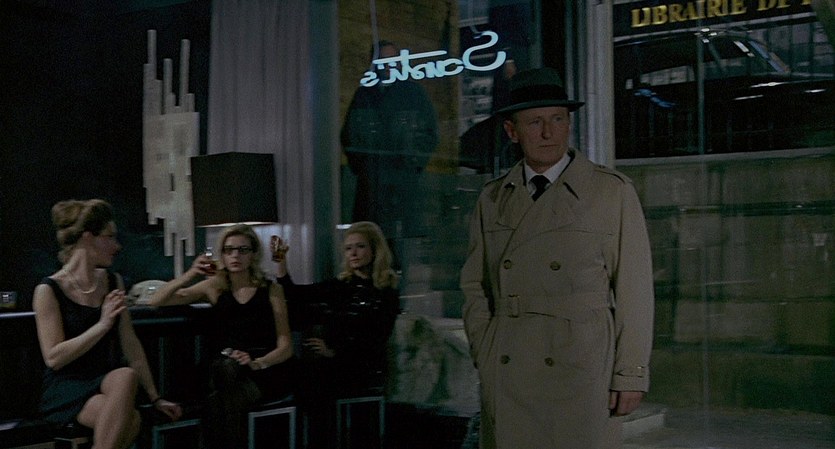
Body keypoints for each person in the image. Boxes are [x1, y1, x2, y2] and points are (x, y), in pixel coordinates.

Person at [459, 67, 655, 449]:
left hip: (581, 368)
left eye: (558, 119)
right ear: (512, 131)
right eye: (535, 122)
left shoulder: (610, 192)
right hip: (511, 367)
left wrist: (631, 374)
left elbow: (635, 291)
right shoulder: (493, 198)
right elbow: (475, 285)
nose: (548, 133)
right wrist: (487, 348)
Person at [33, 199, 182, 449]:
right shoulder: (48, 290)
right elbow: (54, 358)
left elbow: (131, 346)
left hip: (106, 381)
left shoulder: (113, 282)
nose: (117, 246)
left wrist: (156, 398)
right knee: (131, 420)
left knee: (126, 376)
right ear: (88, 238)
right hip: (66, 387)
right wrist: (102, 324)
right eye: (110, 237)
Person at [149, 223, 294, 449]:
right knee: (225, 373)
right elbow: (156, 300)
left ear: (253, 254)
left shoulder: (271, 289)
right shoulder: (215, 286)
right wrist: (191, 274)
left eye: (243, 250)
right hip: (223, 366)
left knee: (219, 397)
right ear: (222, 255)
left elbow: (285, 346)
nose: (235, 256)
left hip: (260, 369)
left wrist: (257, 363)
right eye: (229, 250)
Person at [272, 221, 400, 448]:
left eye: (360, 246)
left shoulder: (386, 291)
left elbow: (377, 338)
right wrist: (281, 262)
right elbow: (296, 294)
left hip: (364, 364)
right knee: (301, 376)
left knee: (314, 381)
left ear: (375, 250)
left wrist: (334, 352)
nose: (353, 253)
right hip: (333, 364)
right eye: (348, 248)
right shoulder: (341, 285)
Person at [340, 40, 439, 241]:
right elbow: (348, 135)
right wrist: (364, 167)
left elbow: (429, 134)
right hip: (372, 185)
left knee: (401, 240)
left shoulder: (413, 94)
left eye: (393, 60)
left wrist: (411, 163)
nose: (388, 66)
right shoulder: (364, 94)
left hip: (402, 183)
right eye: (383, 61)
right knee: (370, 239)